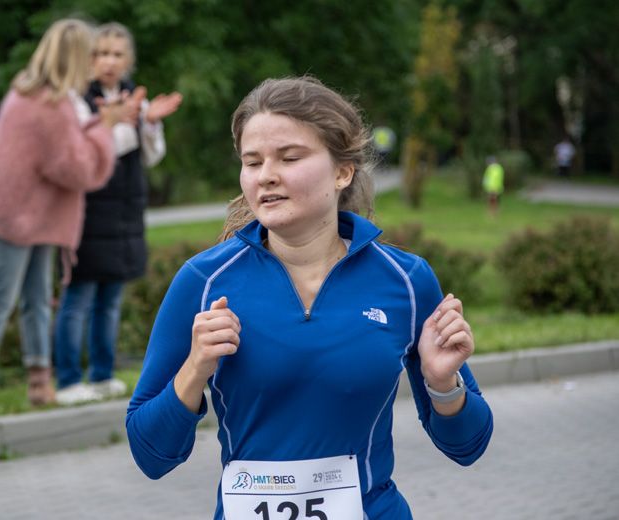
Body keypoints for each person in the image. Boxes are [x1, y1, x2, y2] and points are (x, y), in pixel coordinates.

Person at [126, 77, 493, 519]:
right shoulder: (203, 282)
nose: (267, 176)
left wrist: (442, 384)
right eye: (253, 161)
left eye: (290, 157)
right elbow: (151, 455)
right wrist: (194, 368)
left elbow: (468, 445)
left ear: (343, 171)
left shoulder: (406, 280)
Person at [0, 18, 141, 419]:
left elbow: (74, 146)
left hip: (36, 215)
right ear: (76, 58)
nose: (96, 63)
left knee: (37, 300)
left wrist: (102, 124)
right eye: (91, 55)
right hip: (10, 215)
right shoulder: (48, 104)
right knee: (1, 299)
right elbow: (77, 168)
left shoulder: (37, 92)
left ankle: (39, 383)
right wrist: (108, 126)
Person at [53, 22, 182, 405]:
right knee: (78, 299)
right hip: (88, 211)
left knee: (111, 299)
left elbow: (151, 155)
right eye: (100, 53)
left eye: (116, 54)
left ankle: (103, 375)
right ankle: (68, 379)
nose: (108, 62)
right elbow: (90, 150)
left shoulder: (133, 99)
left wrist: (150, 122)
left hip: (125, 211)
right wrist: (128, 122)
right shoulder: (77, 99)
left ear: (128, 61)